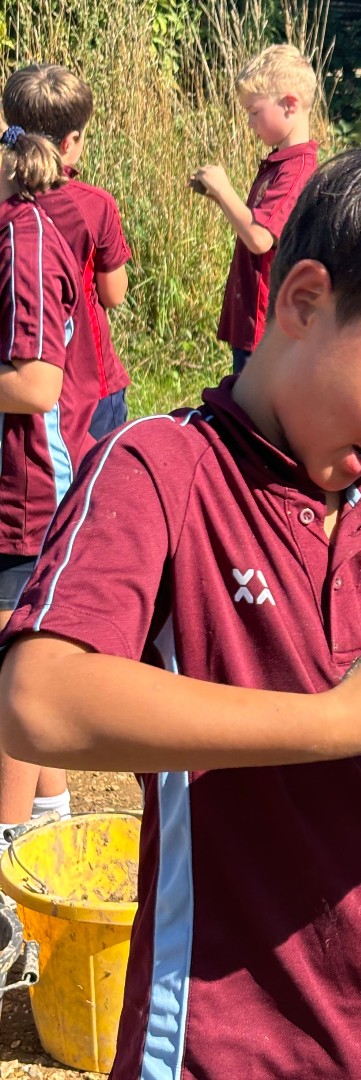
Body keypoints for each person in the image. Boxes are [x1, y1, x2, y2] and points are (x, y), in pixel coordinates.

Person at [0, 146, 361, 1078]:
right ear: (304, 300)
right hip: (224, 1043)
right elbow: (38, 699)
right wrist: (337, 723)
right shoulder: (160, 473)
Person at [0, 120, 101, 849]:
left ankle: (6, 846)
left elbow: (35, 385)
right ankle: (44, 826)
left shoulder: (24, 242)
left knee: (11, 684)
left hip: (27, 490)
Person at [2, 63, 133, 440]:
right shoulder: (95, 204)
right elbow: (114, 292)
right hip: (89, 380)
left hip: (15, 371)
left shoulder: (6, 201)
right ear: (70, 141)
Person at [190, 43, 319, 374]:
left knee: (252, 415)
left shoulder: (297, 171)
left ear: (290, 104)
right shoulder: (281, 165)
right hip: (254, 317)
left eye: (253, 111)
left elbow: (260, 238)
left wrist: (224, 189)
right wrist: (218, 197)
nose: (249, 123)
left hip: (266, 322)